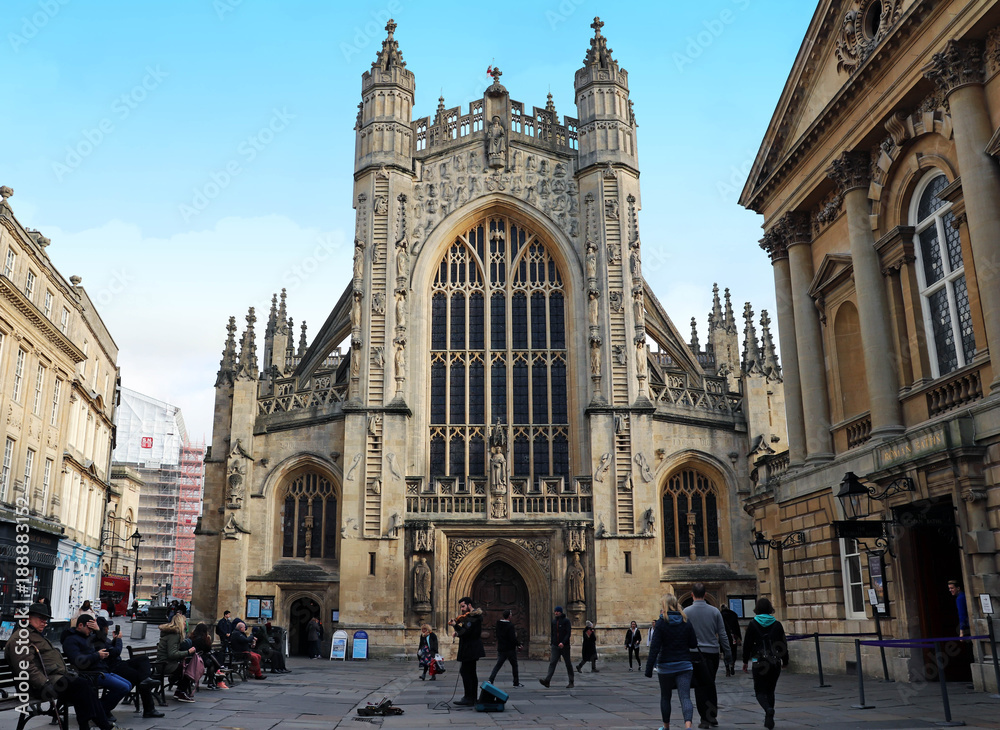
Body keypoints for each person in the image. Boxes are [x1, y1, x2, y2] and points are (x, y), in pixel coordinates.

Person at [4, 602, 125, 730]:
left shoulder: (34, 634)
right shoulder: (21, 638)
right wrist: (45, 684)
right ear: (29, 618)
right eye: (41, 619)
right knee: (81, 686)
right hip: (38, 686)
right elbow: (26, 667)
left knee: (84, 686)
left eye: (46, 620)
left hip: (53, 679)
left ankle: (94, 726)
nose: (44, 623)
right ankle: (101, 726)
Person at [61, 614, 133, 722]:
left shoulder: (87, 636)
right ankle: (99, 712)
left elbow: (104, 642)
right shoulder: (71, 640)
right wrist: (97, 655)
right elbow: (78, 661)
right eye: (89, 628)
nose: (91, 631)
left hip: (100, 670)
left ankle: (98, 710)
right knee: (123, 687)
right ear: (80, 625)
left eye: (92, 628)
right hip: (90, 674)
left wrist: (98, 630)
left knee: (128, 685)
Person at [646, 594, 698, 730]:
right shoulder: (686, 621)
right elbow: (693, 643)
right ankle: (688, 726)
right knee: (685, 697)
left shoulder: (661, 623)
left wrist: (649, 669)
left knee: (665, 697)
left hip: (665, 666)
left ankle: (666, 726)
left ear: (664, 605)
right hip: (684, 665)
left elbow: (655, 647)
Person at [685, 583, 732, 728]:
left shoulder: (686, 611)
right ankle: (712, 716)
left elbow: (683, 634)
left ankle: (704, 719)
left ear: (692, 595)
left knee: (700, 686)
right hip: (712, 653)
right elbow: (722, 634)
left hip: (695, 654)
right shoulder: (715, 611)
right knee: (710, 683)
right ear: (705, 594)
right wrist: (728, 652)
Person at [98, 616, 165, 717]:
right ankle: (149, 709)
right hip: (114, 667)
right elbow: (115, 652)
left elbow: (111, 649)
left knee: (143, 659)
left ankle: (146, 680)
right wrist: (119, 640)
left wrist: (115, 640)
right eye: (107, 626)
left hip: (119, 664)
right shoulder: (99, 639)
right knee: (139, 677)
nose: (108, 629)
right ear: (103, 628)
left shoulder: (103, 638)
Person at [742, 597, 789, 730]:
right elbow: (783, 645)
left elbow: (747, 645)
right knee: (770, 691)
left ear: (757, 609)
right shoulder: (777, 624)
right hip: (774, 662)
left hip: (759, 661)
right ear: (770, 609)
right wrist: (785, 661)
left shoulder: (752, 624)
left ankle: (768, 709)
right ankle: (769, 718)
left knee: (759, 691)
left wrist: (745, 661)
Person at [448, 596, 484, 706]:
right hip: (470, 648)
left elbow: (466, 633)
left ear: (469, 605)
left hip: (470, 649)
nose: (462, 609)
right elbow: (466, 631)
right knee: (470, 672)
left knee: (466, 672)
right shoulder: (470, 617)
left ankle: (469, 697)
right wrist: (458, 632)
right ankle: (472, 697)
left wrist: (455, 626)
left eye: (463, 606)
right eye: (461, 607)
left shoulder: (474, 617)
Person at [157, 612, 200, 702]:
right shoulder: (174, 635)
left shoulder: (173, 634)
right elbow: (172, 654)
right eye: (184, 621)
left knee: (186, 667)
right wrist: (187, 652)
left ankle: (180, 691)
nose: (185, 624)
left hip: (165, 663)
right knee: (188, 670)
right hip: (165, 664)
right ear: (180, 623)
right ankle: (181, 692)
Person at [539, 605, 574, 689]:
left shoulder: (566, 621)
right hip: (555, 646)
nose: (556, 613)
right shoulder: (554, 621)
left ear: (561, 612)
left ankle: (571, 682)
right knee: (552, 663)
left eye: (557, 611)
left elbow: (568, 633)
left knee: (568, 663)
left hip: (564, 646)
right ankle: (547, 681)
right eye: (555, 611)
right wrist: (552, 643)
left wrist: (563, 642)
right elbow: (553, 633)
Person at [488, 609, 524, 687]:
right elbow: (513, 638)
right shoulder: (510, 626)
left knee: (498, 665)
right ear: (509, 616)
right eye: (511, 614)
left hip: (501, 648)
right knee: (514, 665)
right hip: (510, 649)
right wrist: (518, 645)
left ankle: (490, 680)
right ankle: (516, 682)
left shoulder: (498, 624)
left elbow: (498, 635)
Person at [191, 622, 229, 688]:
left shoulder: (193, 637)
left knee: (213, 657)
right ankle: (213, 679)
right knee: (211, 663)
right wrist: (208, 640)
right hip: (199, 658)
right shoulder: (202, 639)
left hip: (195, 657)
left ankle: (219, 669)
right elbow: (207, 649)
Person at [719, 603, 742, 676]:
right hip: (733, 636)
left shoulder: (720, 615)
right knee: (733, 651)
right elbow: (737, 627)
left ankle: (727, 668)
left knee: (725, 652)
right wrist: (739, 637)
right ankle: (732, 665)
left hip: (724, 636)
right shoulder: (733, 614)